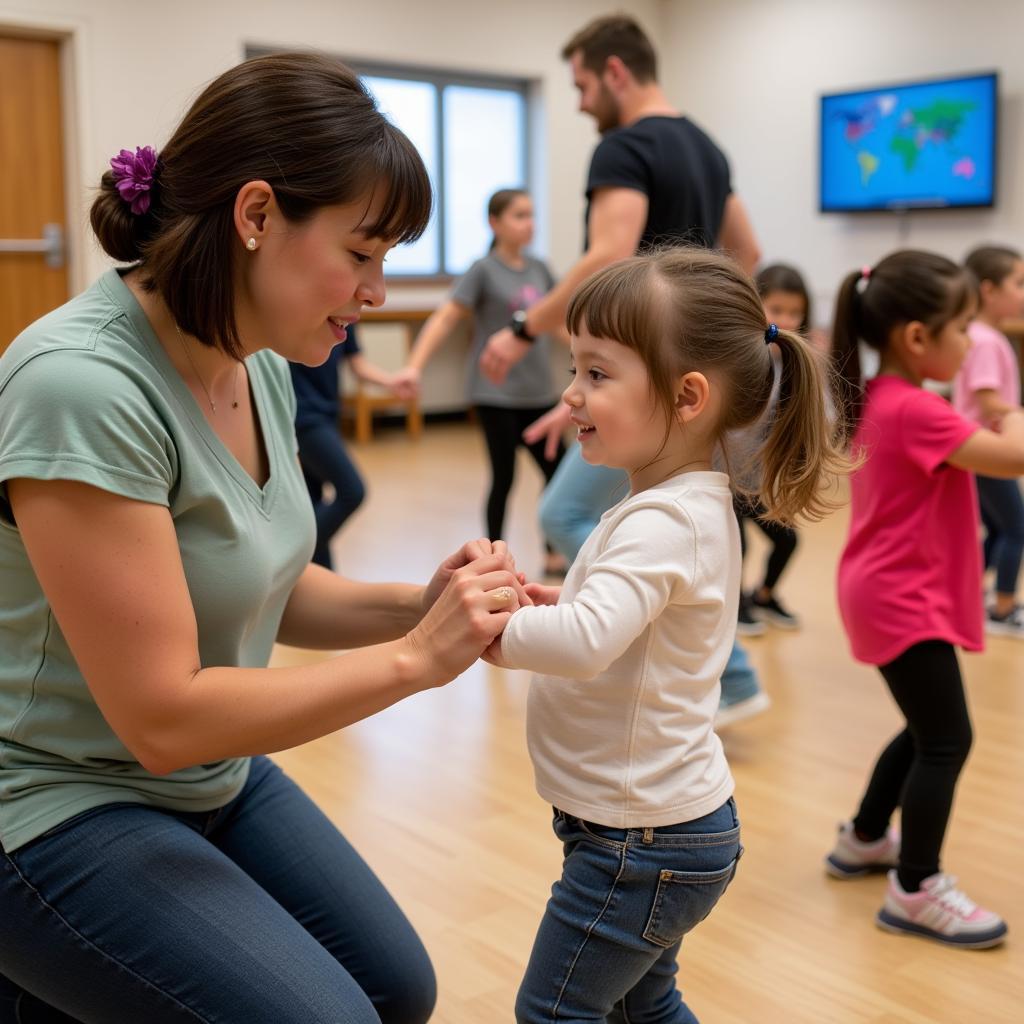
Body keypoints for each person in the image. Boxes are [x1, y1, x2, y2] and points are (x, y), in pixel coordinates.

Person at [0, 53, 528, 1023]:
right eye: (362, 255)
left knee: (396, 988)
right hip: (47, 802)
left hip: (206, 771)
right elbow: (161, 718)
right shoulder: (81, 385)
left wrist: (428, 605)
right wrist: (417, 659)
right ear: (254, 218)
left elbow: (275, 586)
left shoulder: (260, 359)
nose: (375, 292)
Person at [488, 248, 845, 1023]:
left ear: (687, 397)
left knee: (554, 1012)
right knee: (642, 1009)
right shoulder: (679, 504)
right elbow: (624, 619)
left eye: (597, 374)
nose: (571, 392)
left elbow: (585, 642)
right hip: (658, 830)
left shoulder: (663, 520)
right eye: (574, 368)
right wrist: (562, 595)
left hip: (639, 840)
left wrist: (490, 629)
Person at [480, 14, 769, 725]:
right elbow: (748, 255)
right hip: (683, 384)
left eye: (580, 85)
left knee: (563, 511)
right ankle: (703, 659)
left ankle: (725, 671)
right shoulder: (707, 148)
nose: (579, 103)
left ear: (614, 71)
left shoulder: (626, 146)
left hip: (649, 378)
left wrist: (523, 328)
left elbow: (610, 254)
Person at [826, 250, 1022, 949]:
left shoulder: (885, 396)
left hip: (887, 590)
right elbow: (1014, 457)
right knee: (948, 738)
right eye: (963, 328)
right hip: (900, 596)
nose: (972, 344)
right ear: (917, 338)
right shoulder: (916, 409)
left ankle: (865, 839)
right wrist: (1016, 408)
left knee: (923, 727)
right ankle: (915, 886)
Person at [393, 189, 566, 571]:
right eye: (520, 215)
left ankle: (555, 550)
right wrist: (414, 367)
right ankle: (493, 560)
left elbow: (558, 323)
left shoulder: (540, 268)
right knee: (504, 478)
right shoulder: (483, 269)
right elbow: (446, 318)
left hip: (539, 392)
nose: (529, 224)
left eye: (532, 215)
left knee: (558, 474)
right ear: (495, 223)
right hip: (495, 393)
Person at [734, 264, 811, 634]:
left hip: (756, 482)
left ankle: (763, 596)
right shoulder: (742, 360)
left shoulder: (794, 365)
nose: (787, 320)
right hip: (725, 478)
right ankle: (733, 608)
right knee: (737, 550)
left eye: (795, 313)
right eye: (777, 310)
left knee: (788, 540)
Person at [952, 245, 1024, 636]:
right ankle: (1003, 608)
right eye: (1018, 283)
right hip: (988, 452)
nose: (1023, 293)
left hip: (978, 451)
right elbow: (986, 397)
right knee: (1018, 528)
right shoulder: (986, 339)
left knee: (998, 529)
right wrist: (1017, 415)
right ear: (989, 290)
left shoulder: (980, 336)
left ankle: (972, 595)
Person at [291, 324, 406, 569]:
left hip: (328, 415)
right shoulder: (298, 308)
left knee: (314, 505)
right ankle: (292, 558)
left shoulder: (345, 317)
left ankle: (322, 587)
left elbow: (358, 364)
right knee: (352, 490)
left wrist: (391, 382)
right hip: (301, 417)